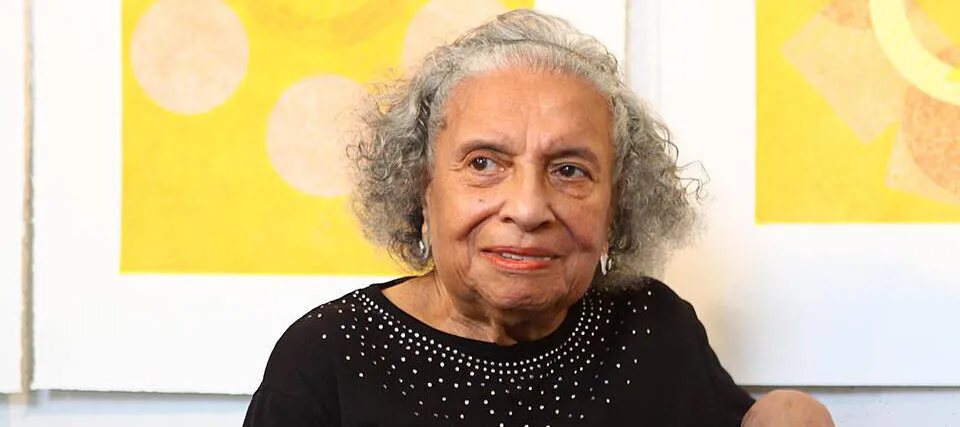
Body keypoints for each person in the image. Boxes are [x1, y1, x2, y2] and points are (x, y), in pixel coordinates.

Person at [243, 9, 834, 427]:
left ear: (617, 203)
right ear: (422, 186)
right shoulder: (328, 356)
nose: (527, 209)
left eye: (570, 170)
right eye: (484, 163)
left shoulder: (654, 331)